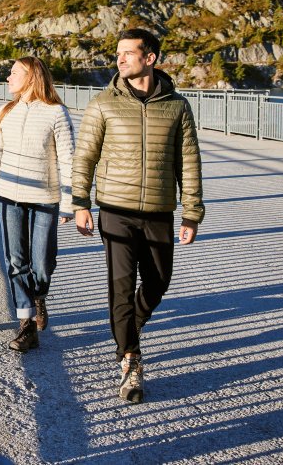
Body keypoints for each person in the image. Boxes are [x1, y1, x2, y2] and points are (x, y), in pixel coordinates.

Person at [72, 28, 204, 403]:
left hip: (160, 210)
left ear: (151, 58)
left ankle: (128, 327)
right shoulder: (103, 103)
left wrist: (191, 213)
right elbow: (85, 157)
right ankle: (130, 359)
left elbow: (189, 163)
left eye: (128, 53)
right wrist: (80, 202)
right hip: (115, 208)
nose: (120, 59)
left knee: (159, 282)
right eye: (118, 54)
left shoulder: (177, 106)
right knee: (121, 286)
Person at [0, 56, 75, 352]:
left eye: (13, 73)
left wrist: (69, 202)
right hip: (9, 195)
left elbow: (68, 159)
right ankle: (26, 325)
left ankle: (39, 296)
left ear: (32, 77)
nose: (8, 78)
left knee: (42, 262)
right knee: (15, 261)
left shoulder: (56, 113)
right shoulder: (4, 111)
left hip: (44, 199)